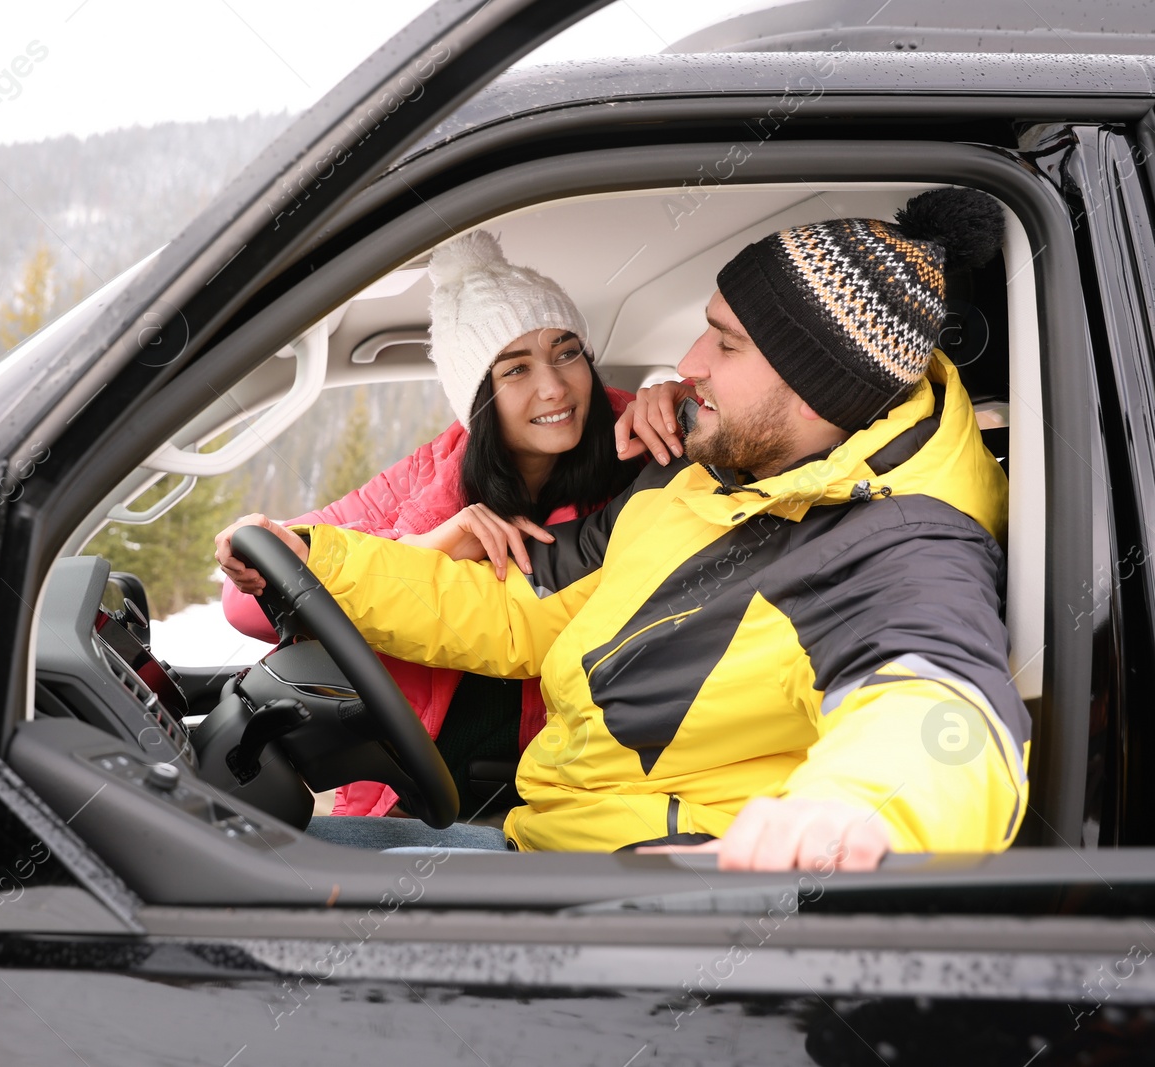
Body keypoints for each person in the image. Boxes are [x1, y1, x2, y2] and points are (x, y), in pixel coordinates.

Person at [218, 188, 1027, 872]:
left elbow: (937, 698)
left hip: (635, 898)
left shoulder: (902, 542)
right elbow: (524, 605)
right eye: (707, 327)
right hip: (533, 845)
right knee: (238, 853)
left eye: (726, 342)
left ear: (814, 394)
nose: (688, 360)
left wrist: (858, 814)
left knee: (245, 890)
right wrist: (320, 561)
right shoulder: (696, 475)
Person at [219, 230, 637, 820]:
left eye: (567, 352)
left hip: (554, 805)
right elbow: (245, 602)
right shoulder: (425, 482)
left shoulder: (640, 450)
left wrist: (678, 403)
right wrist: (428, 546)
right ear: (478, 397)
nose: (553, 387)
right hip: (415, 793)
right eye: (515, 370)